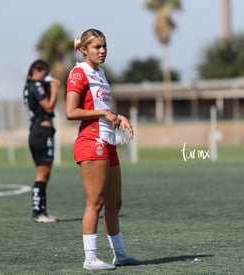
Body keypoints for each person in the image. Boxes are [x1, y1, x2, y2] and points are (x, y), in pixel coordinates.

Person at [65, 28, 143, 270]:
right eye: (97, 47)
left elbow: (104, 110)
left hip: (108, 143)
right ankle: (90, 258)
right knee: (95, 202)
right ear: (84, 49)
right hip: (91, 142)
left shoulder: (101, 73)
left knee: (114, 202)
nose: (102, 51)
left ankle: (119, 255)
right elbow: (71, 112)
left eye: (104, 46)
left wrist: (118, 117)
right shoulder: (79, 72)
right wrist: (103, 113)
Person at [23, 59, 60, 223]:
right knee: (42, 175)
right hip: (42, 132)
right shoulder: (36, 85)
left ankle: (42, 211)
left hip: (37, 132)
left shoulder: (28, 86)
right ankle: (37, 213)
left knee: (44, 175)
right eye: (45, 74)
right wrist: (55, 89)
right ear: (37, 71)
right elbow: (49, 107)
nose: (47, 78)